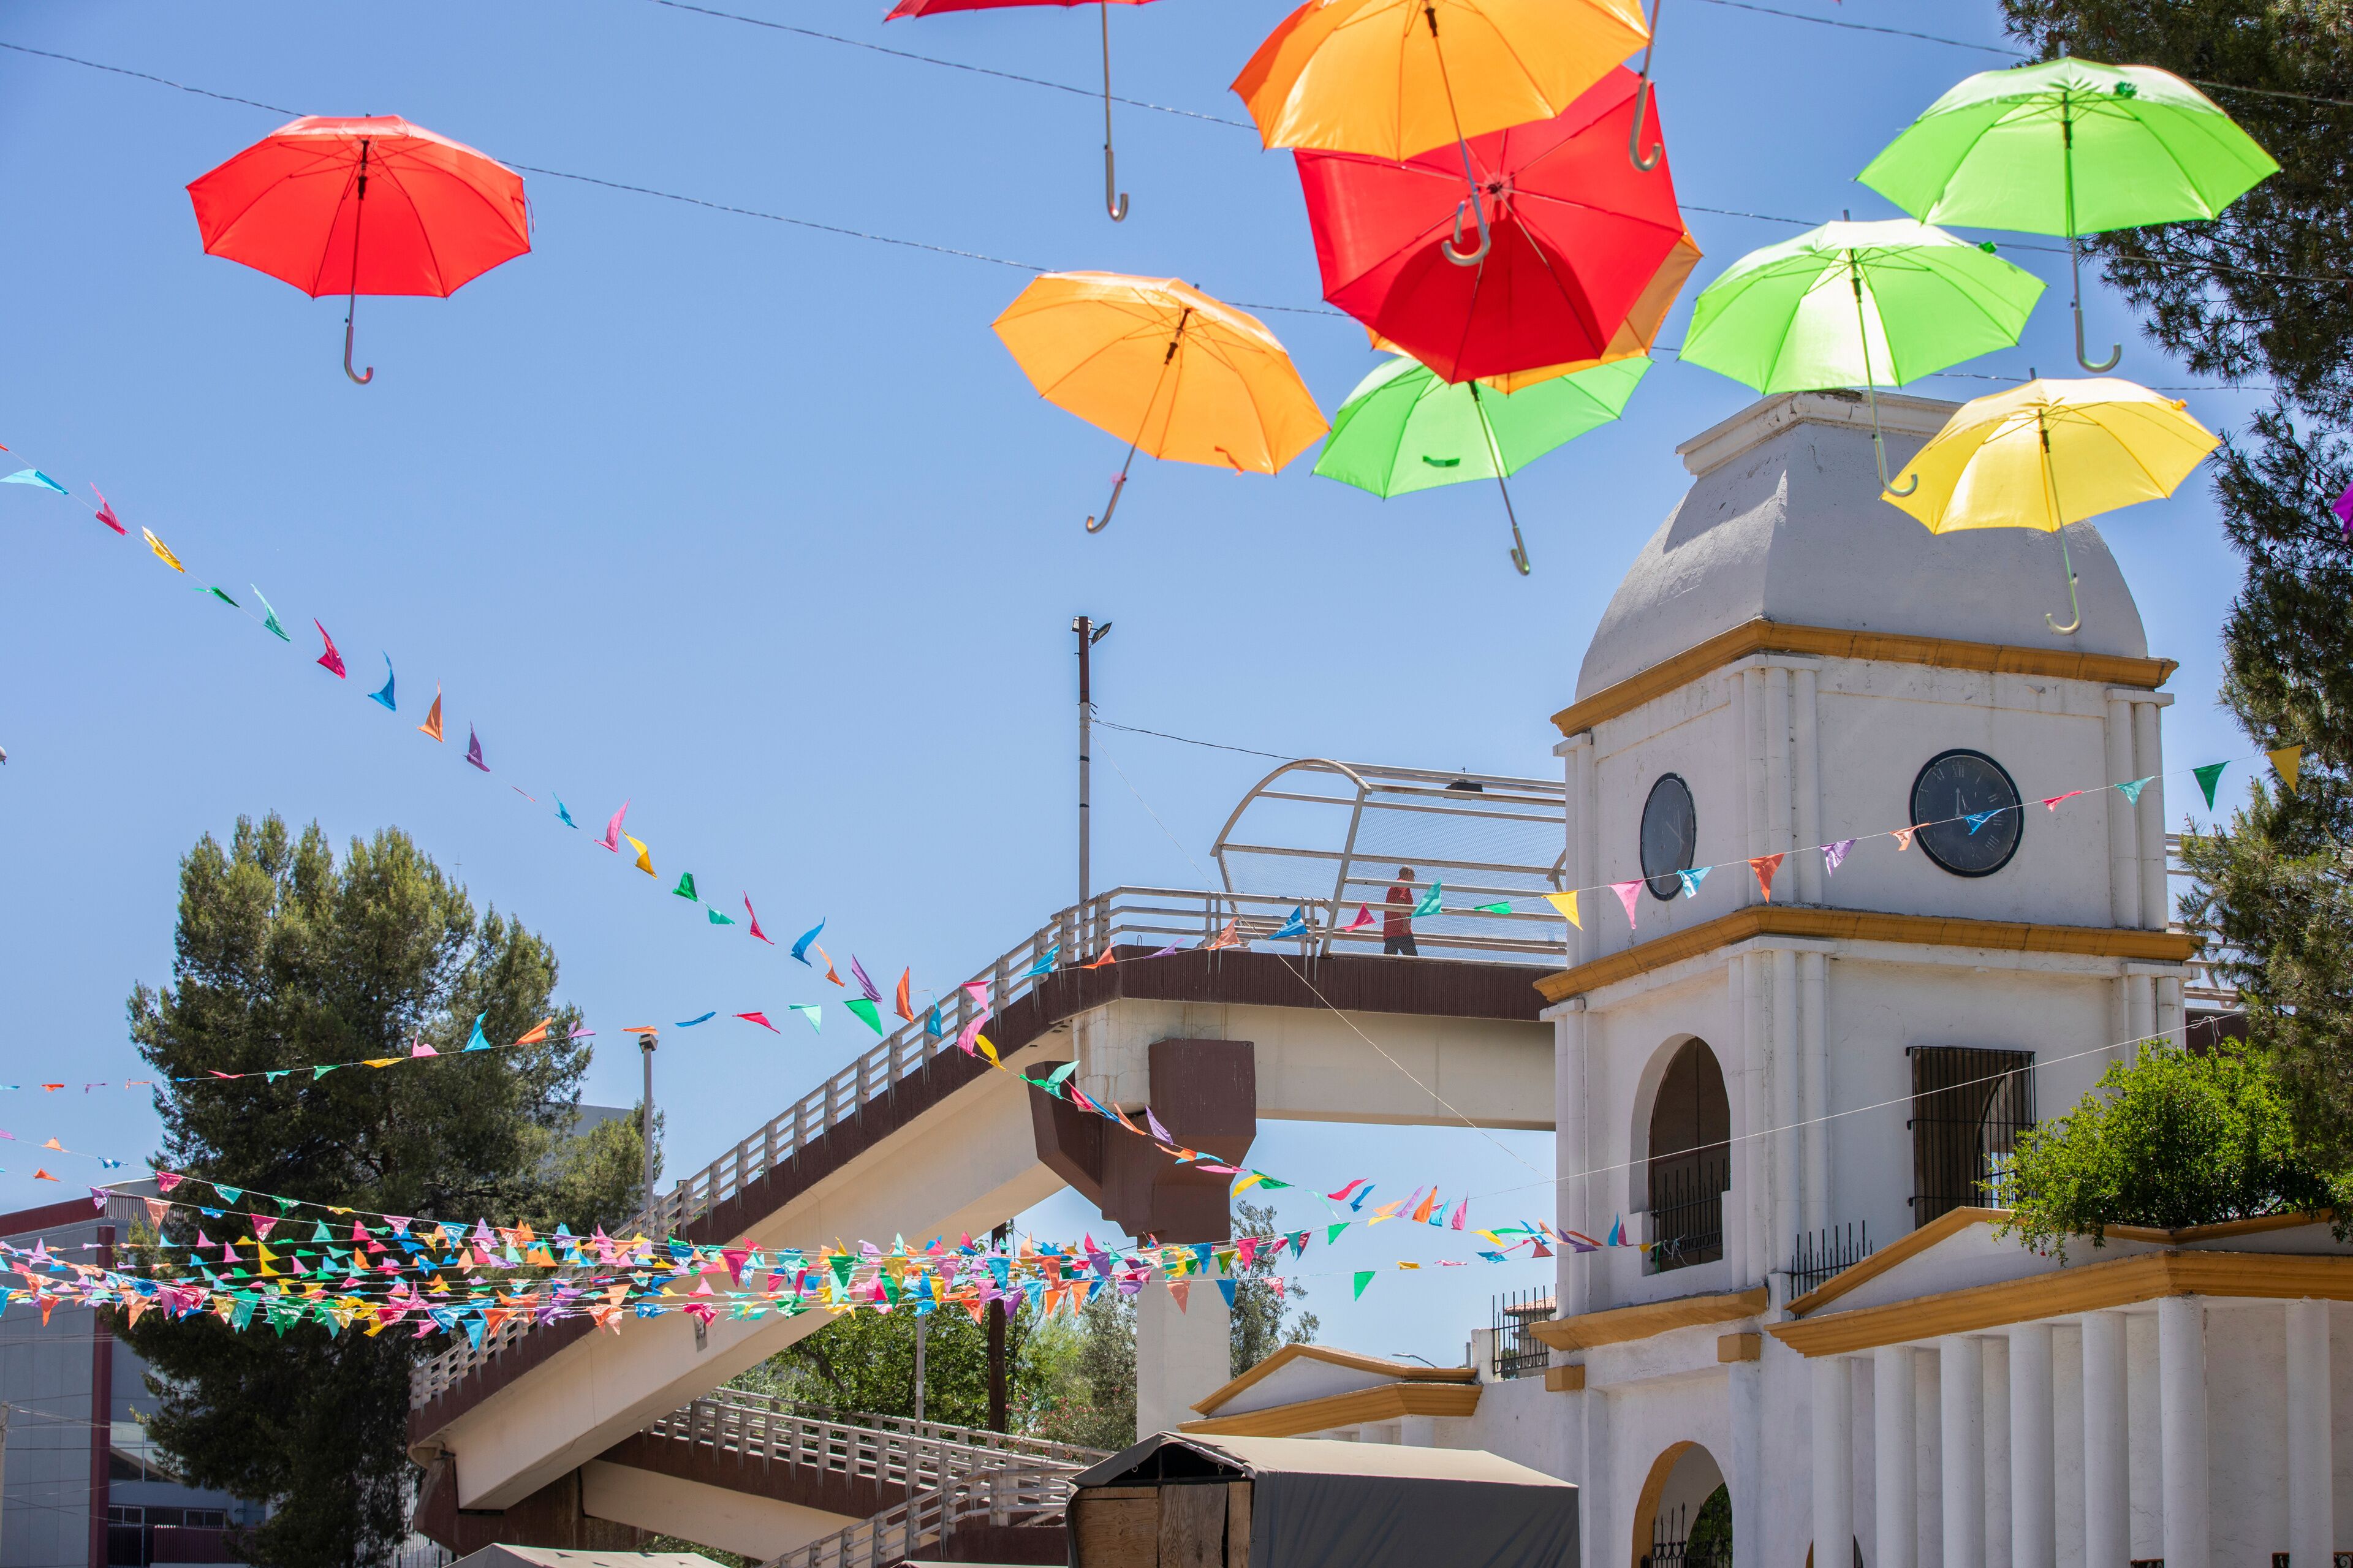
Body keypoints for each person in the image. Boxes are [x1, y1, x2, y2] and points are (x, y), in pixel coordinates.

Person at [1384, 867, 1418, 956]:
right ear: (1409, 873)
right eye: (1414, 876)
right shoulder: (1403, 883)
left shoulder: (1393, 886)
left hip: (1389, 931)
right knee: (1413, 961)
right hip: (1401, 930)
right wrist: (1406, 922)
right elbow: (1400, 901)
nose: (1414, 880)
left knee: (1388, 963)